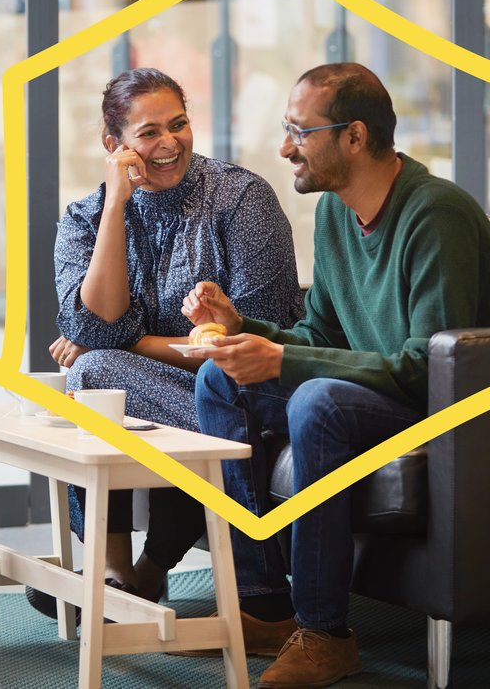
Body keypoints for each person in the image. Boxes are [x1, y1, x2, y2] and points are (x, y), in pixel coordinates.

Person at [182, 63, 490, 689]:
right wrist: (244, 328)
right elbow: (323, 336)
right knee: (221, 381)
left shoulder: (435, 214)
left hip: (459, 413)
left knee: (319, 401)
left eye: (299, 132)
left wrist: (285, 362)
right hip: (384, 395)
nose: (286, 149)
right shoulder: (337, 214)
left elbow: (428, 369)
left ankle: (326, 635)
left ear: (355, 137)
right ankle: (264, 605)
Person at [41, 67, 303, 613]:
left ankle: (130, 576)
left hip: (249, 398)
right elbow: (95, 326)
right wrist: (116, 206)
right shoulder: (86, 217)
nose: (169, 143)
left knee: (95, 373)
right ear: (114, 146)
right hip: (178, 398)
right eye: (149, 132)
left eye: (178, 124)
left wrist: (124, 345)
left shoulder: (241, 199)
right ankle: (118, 572)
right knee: (99, 380)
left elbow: (256, 337)